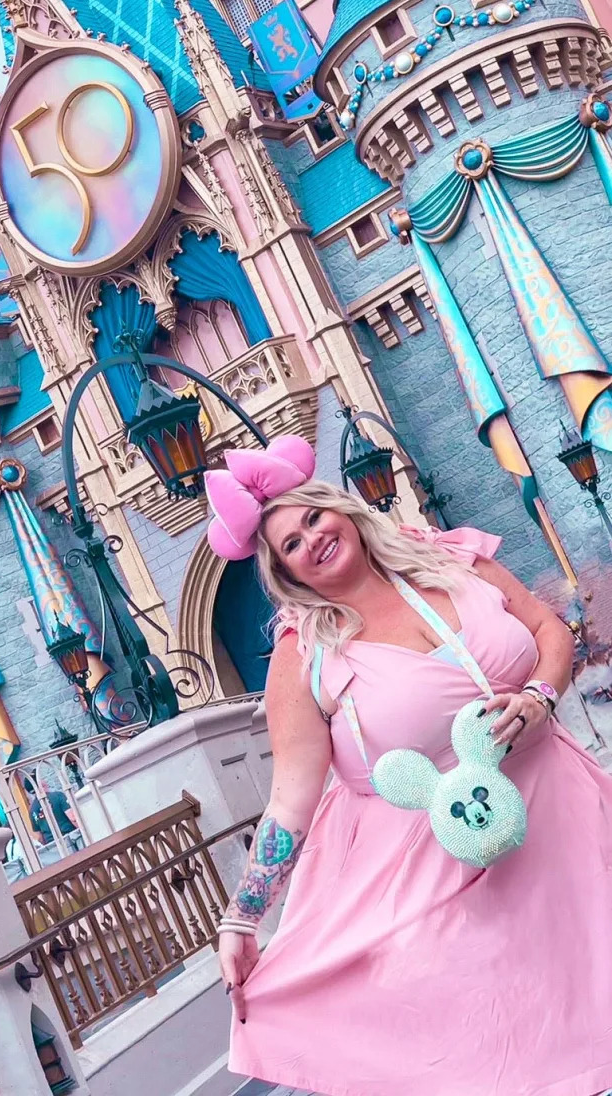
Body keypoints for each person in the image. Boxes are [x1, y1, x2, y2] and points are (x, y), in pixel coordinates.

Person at [205, 434, 612, 1096]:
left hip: (562, 816)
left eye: (313, 517)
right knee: (511, 1053)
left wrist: (540, 698)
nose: (311, 538)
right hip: (442, 880)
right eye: (290, 544)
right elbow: (289, 799)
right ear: (287, 574)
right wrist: (242, 918)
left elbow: (548, 631)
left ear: (343, 511)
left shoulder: (451, 558)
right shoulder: (304, 654)